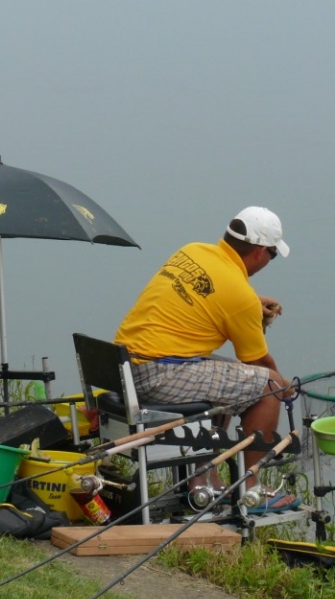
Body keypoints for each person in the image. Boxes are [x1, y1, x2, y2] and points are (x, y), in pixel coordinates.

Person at [114, 206, 298, 512]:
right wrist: (286, 387)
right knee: (270, 387)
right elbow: (259, 365)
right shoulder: (239, 295)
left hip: (124, 367)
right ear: (259, 252)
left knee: (230, 377)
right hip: (156, 375)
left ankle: (204, 479)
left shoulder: (193, 251)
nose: (269, 261)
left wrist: (251, 305)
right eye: (273, 255)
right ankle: (250, 489)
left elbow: (212, 295)